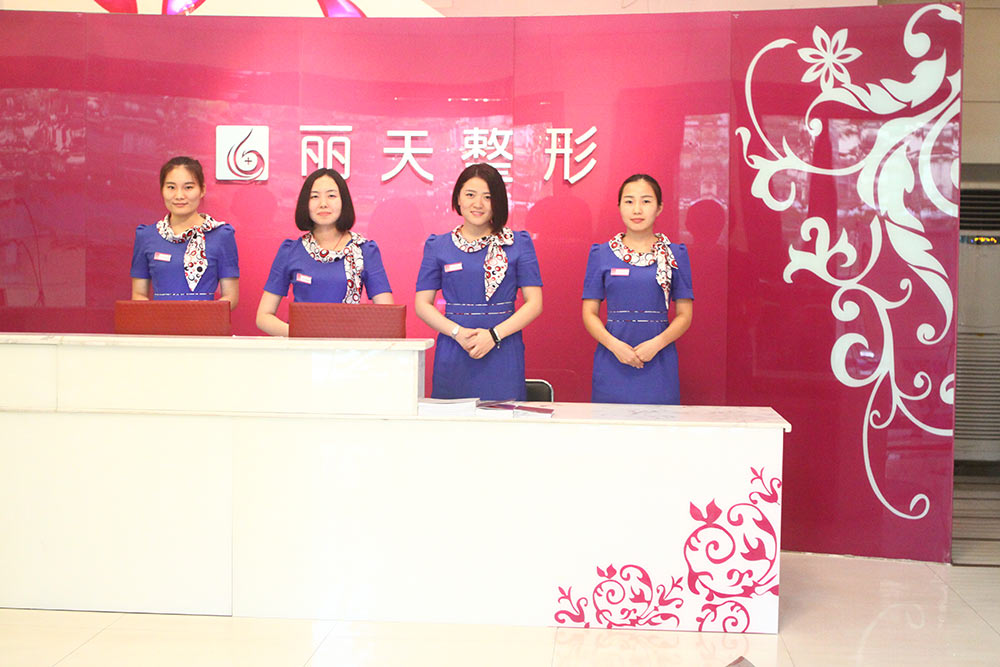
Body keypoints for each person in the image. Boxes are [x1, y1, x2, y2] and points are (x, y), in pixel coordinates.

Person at [415, 163, 543, 400]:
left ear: (498, 202)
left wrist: (493, 336)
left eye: (488, 197)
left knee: (503, 417)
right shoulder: (438, 246)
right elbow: (422, 304)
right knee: (451, 418)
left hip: (503, 347)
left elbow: (535, 303)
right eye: (470, 195)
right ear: (458, 198)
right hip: (455, 347)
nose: (478, 204)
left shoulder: (518, 243)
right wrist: (457, 333)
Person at [582, 174, 693, 404]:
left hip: (659, 358)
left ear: (659, 208)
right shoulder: (601, 254)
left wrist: (657, 344)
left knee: (659, 423)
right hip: (613, 357)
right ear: (619, 206)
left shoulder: (675, 254)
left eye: (646, 201)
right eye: (629, 201)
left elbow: (685, 315)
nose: (637, 209)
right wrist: (615, 346)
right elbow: (589, 313)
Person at [256, 168, 393, 336]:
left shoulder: (364, 250)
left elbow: (388, 317)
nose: (323, 203)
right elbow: (263, 316)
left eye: (331, 196)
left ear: (344, 201)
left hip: (349, 347)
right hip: (301, 347)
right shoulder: (290, 251)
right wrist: (302, 335)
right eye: (314, 196)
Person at [131, 156, 239, 307]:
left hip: (206, 320)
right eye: (171, 187)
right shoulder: (147, 236)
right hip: (159, 320)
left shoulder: (221, 235)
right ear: (162, 190)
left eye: (188, 187)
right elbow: (138, 294)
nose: (179, 196)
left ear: (202, 190)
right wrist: (160, 317)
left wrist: (202, 316)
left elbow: (231, 297)